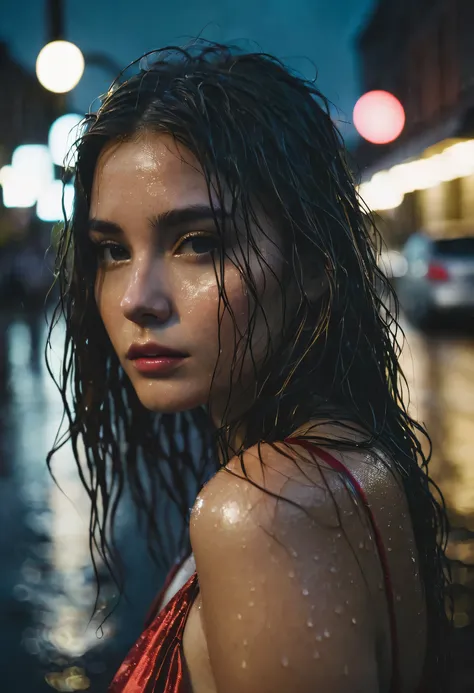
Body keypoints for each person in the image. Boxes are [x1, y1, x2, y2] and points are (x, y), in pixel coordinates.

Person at [46, 43, 451, 693]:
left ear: (316, 265)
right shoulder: (352, 459)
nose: (134, 299)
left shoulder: (262, 511)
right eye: (112, 250)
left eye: (198, 243)